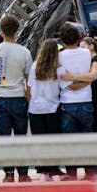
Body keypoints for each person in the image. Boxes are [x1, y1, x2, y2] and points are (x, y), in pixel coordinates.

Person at [0, 15, 33, 182]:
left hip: (1, 97)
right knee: (21, 137)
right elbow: (29, 80)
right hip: (19, 97)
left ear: (1, 31)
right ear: (17, 30)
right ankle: (23, 173)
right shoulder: (25, 52)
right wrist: (28, 98)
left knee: (4, 137)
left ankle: (8, 173)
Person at [57, 22, 94, 180]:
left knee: (70, 141)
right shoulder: (86, 53)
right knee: (88, 139)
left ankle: (71, 173)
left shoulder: (60, 56)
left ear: (62, 41)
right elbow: (90, 77)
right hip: (86, 99)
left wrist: (73, 83)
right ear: (79, 38)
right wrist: (85, 83)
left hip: (67, 102)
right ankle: (90, 172)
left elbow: (67, 84)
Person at [28, 39, 66, 181]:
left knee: (40, 141)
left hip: (35, 109)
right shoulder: (59, 68)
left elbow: (29, 88)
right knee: (53, 141)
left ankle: (43, 171)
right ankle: (54, 170)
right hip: (53, 107)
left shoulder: (34, 67)